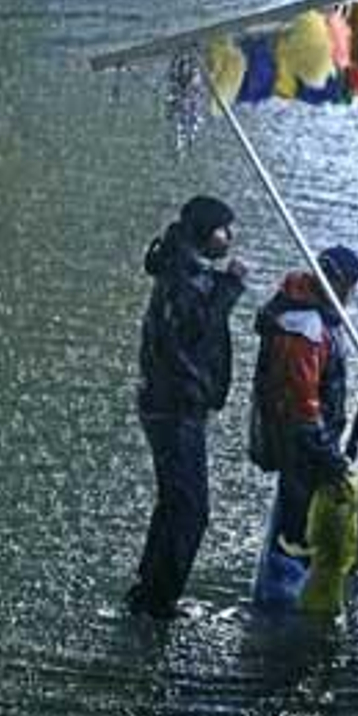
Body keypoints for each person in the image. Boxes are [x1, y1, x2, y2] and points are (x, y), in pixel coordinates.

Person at [127, 195, 248, 619]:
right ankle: (160, 599)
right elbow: (195, 332)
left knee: (174, 502)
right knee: (192, 509)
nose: (229, 237)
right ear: (203, 230)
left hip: (172, 404)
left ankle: (150, 589)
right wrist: (229, 288)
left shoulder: (186, 270)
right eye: (222, 229)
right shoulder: (185, 276)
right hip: (174, 407)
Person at [250, 244, 358, 611]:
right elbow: (302, 405)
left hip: (309, 443)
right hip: (303, 446)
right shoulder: (305, 329)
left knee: (294, 520)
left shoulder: (315, 317)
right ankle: (279, 610)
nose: (351, 295)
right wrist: (328, 455)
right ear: (337, 281)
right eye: (349, 285)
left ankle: (283, 598)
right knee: (295, 530)